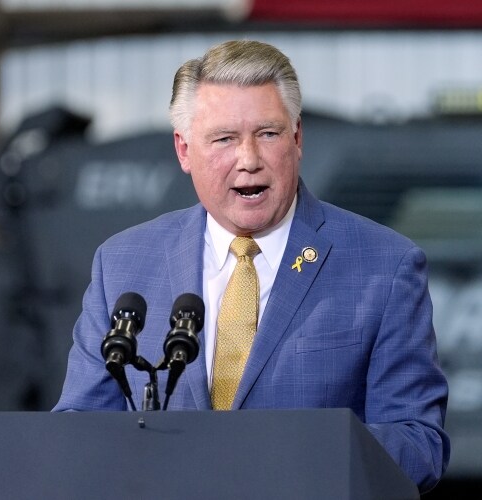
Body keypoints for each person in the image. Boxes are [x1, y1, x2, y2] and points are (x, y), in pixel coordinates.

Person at [53, 39, 449, 493]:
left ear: (297, 138)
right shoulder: (123, 263)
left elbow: (418, 443)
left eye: (268, 134)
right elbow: (78, 429)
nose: (249, 160)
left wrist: (298, 455)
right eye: (224, 138)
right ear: (184, 150)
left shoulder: (385, 265)